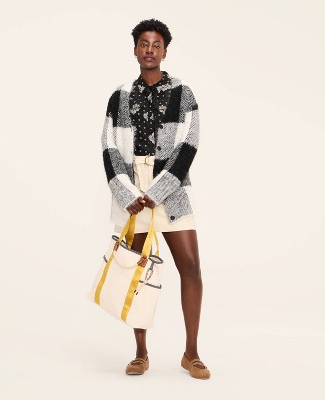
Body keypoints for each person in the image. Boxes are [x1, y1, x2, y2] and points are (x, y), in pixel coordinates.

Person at [100, 18, 210, 380]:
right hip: (133, 192)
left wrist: (156, 192)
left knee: (190, 268)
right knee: (137, 271)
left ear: (165, 51)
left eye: (156, 44)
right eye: (144, 44)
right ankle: (141, 353)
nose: (150, 50)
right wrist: (129, 194)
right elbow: (109, 148)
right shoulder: (119, 96)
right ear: (135, 49)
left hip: (171, 188)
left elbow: (188, 145)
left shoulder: (183, 93)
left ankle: (191, 353)